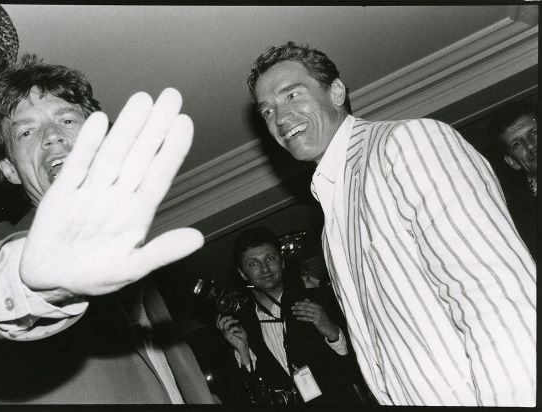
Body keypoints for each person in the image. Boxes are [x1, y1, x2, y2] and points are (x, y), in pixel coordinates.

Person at [246, 42, 536, 406]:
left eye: (292, 94)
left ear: (336, 92)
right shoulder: (331, 222)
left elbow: (498, 299)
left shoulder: (405, 144)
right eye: (268, 111)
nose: (281, 117)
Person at [0, 55, 215, 404]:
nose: (52, 136)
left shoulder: (141, 273)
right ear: (9, 169)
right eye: (26, 131)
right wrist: (25, 284)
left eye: (67, 119)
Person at [216, 227, 364, 406]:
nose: (264, 269)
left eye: (270, 258)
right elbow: (248, 400)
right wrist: (243, 354)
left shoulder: (320, 301)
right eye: (253, 263)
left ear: (282, 262)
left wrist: (333, 333)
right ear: (242, 273)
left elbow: (358, 372)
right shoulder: (242, 330)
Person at [489, 100, 537, 258]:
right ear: (513, 162)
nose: (530, 145)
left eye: (534, 133)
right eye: (517, 143)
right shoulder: (516, 219)